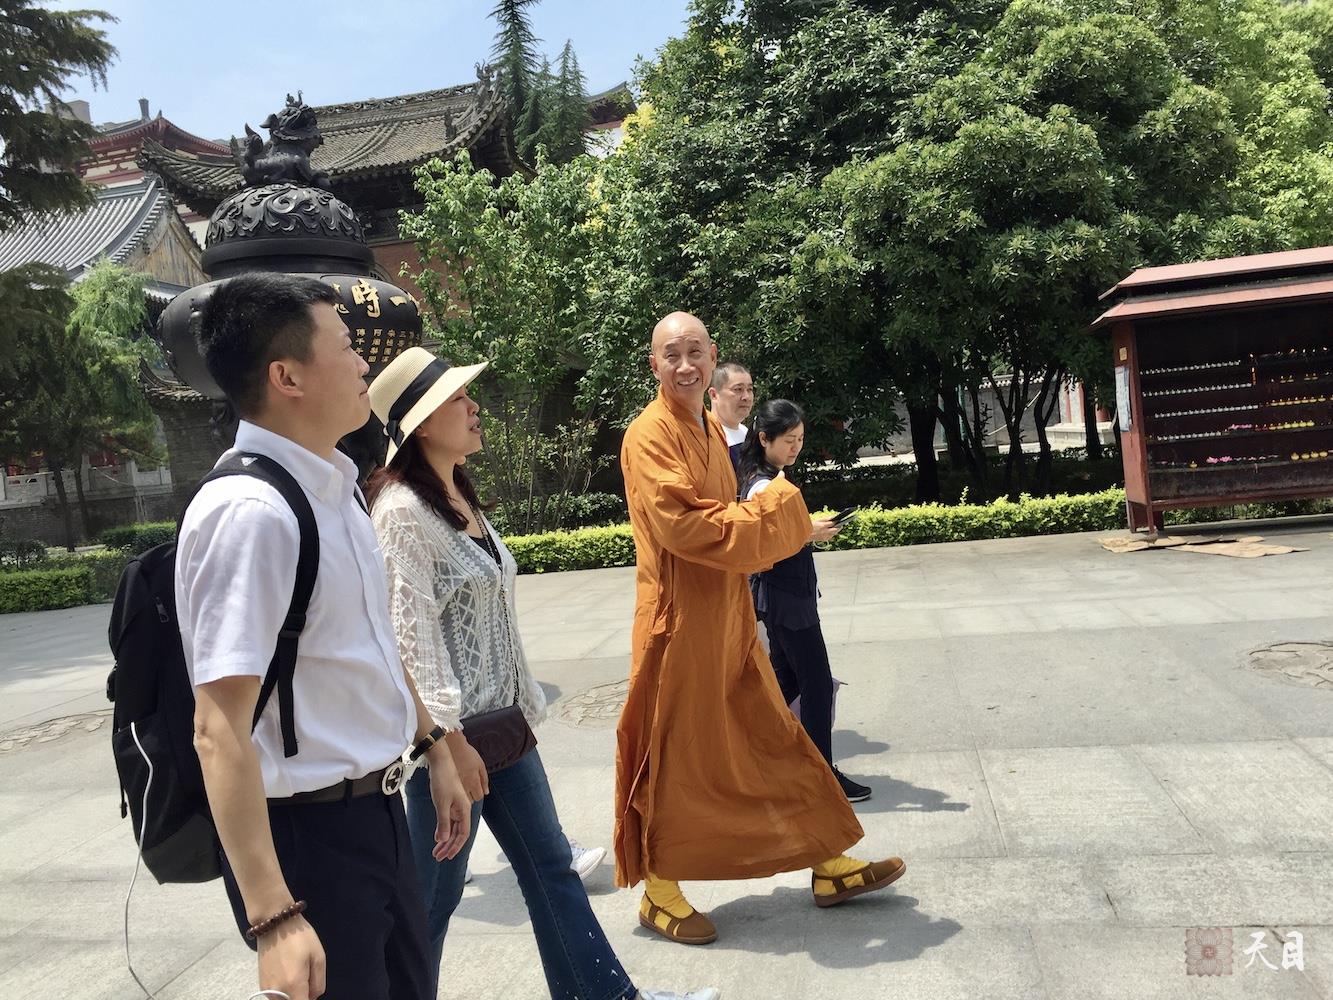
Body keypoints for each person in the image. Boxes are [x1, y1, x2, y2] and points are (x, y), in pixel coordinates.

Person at [366, 347, 720, 1000]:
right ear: (421, 424)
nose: (475, 407)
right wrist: (446, 744)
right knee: (428, 904)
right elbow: (406, 642)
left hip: (501, 730)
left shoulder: (456, 495)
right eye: (457, 399)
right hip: (448, 747)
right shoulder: (400, 515)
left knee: (552, 872)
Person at [178, 274, 473, 1000]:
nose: (365, 362)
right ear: (287, 377)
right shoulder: (250, 512)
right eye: (346, 346)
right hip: (307, 841)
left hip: (375, 816)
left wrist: (433, 747)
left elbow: (372, 646)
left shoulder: (336, 489)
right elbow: (218, 728)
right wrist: (273, 916)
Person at [614, 311, 905, 946]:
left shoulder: (707, 428)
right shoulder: (649, 435)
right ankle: (659, 892)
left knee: (777, 737)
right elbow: (686, 527)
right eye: (672, 354)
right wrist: (780, 511)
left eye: (696, 351)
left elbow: (727, 516)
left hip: (729, 617)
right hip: (679, 626)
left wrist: (771, 519)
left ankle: (827, 861)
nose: (686, 365)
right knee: (677, 757)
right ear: (653, 364)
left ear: (712, 355)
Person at [737, 399, 872, 803]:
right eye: (788, 439)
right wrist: (808, 533)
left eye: (800, 438)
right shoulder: (763, 486)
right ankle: (821, 775)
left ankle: (767, 764)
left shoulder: (767, 478)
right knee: (815, 684)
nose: (796, 446)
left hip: (783, 594)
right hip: (786, 597)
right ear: (764, 439)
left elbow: (777, 536)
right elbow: (762, 541)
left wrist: (808, 531)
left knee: (788, 683)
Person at [707, 361, 753, 470]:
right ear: (714, 395)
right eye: (738, 389)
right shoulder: (707, 438)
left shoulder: (746, 433)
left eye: (750, 389)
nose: (746, 397)